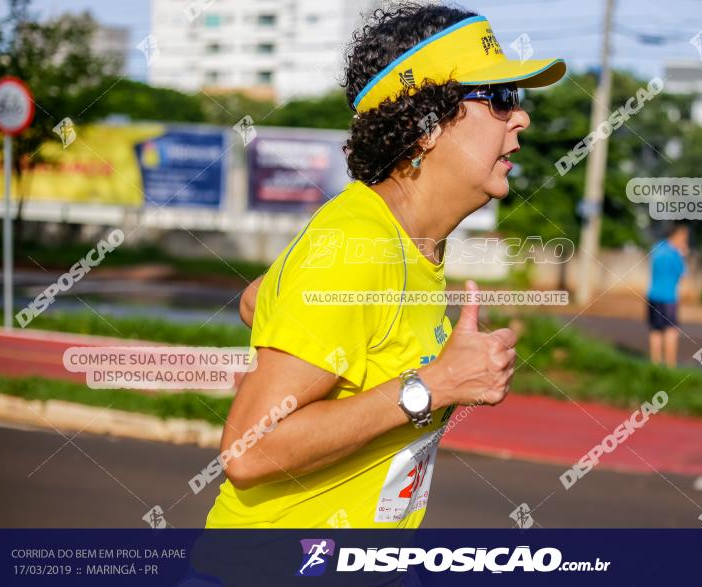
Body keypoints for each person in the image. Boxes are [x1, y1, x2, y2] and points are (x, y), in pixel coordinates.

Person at [205, 2, 566, 528]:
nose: (522, 117)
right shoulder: (361, 242)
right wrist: (436, 385)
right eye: (499, 98)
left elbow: (256, 298)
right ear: (426, 127)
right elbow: (249, 451)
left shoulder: (401, 241)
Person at [646, 224, 689, 367]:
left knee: (655, 329)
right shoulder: (675, 254)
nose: (685, 240)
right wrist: (682, 255)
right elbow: (682, 274)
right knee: (671, 331)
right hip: (669, 298)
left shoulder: (656, 247)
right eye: (684, 237)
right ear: (676, 235)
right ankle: (670, 365)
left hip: (653, 295)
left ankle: (655, 364)